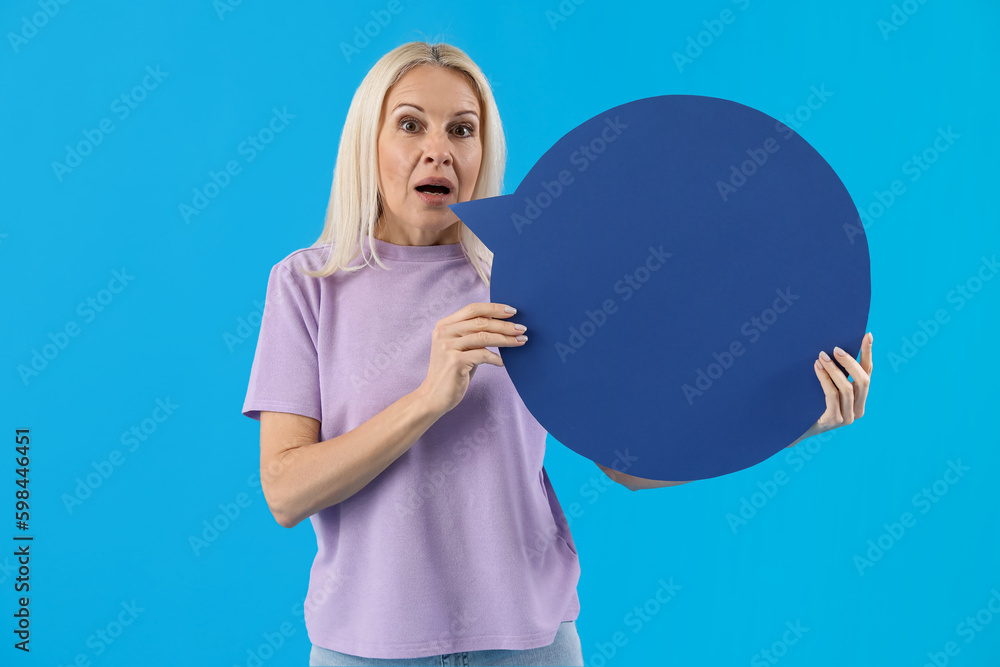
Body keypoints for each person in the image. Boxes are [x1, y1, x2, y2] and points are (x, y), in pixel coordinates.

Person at [242, 40, 875, 666]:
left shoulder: (531, 281)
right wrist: (428, 399)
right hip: (366, 649)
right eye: (410, 124)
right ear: (367, 141)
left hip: (531, 646)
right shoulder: (307, 284)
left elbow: (630, 464)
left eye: (463, 129)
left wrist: (797, 423)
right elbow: (287, 492)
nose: (438, 148)